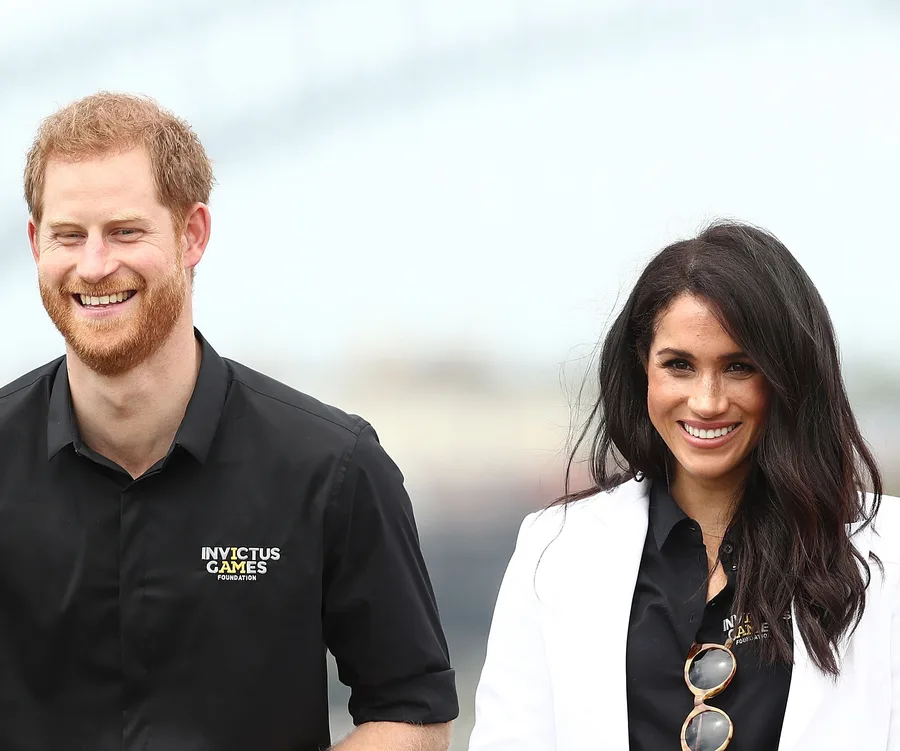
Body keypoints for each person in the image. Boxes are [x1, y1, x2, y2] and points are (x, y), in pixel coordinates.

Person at [0, 92, 458, 751]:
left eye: (126, 231)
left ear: (193, 235)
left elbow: (414, 712)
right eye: (70, 235)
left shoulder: (334, 467)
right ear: (36, 241)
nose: (94, 265)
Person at [468, 221, 900, 751]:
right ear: (641, 370)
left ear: (790, 375)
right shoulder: (555, 548)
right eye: (679, 366)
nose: (707, 401)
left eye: (740, 367)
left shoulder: (889, 552)